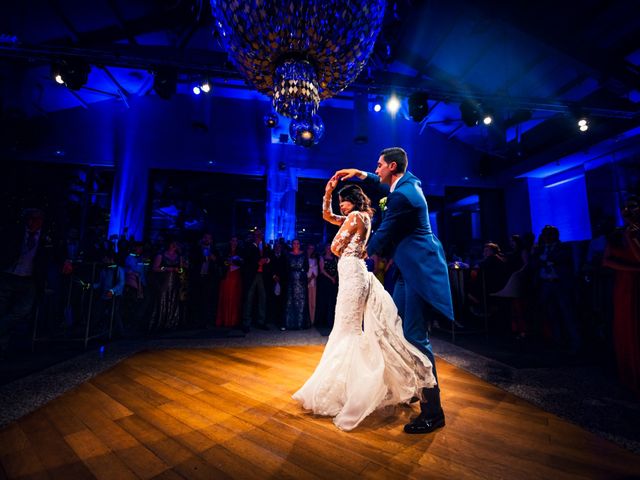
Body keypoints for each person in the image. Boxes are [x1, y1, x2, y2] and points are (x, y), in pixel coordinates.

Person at [292, 181, 436, 432]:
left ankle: (348, 390)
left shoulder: (355, 216)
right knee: (346, 328)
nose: (340, 205)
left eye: (343, 201)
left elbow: (336, 248)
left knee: (347, 329)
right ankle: (347, 386)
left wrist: (340, 244)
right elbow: (327, 216)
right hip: (354, 273)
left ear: (354, 200)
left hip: (352, 275)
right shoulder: (362, 217)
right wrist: (327, 192)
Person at [332, 147, 454, 434]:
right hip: (406, 269)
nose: (376, 169)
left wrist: (363, 251)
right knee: (394, 327)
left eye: (379, 165)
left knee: (414, 336)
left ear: (393, 166)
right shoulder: (407, 183)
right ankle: (411, 386)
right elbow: (380, 182)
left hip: (419, 271)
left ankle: (433, 411)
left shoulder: (403, 195)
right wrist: (360, 175)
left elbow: (385, 231)